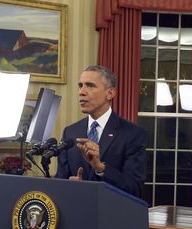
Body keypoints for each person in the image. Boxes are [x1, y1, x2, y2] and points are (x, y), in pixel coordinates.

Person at [55, 65, 146, 197]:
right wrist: (71, 187)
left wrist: (101, 168)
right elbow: (61, 181)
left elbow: (134, 188)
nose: (82, 92)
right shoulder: (70, 132)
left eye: (90, 86)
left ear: (110, 93)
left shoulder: (133, 134)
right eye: (80, 85)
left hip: (112, 215)